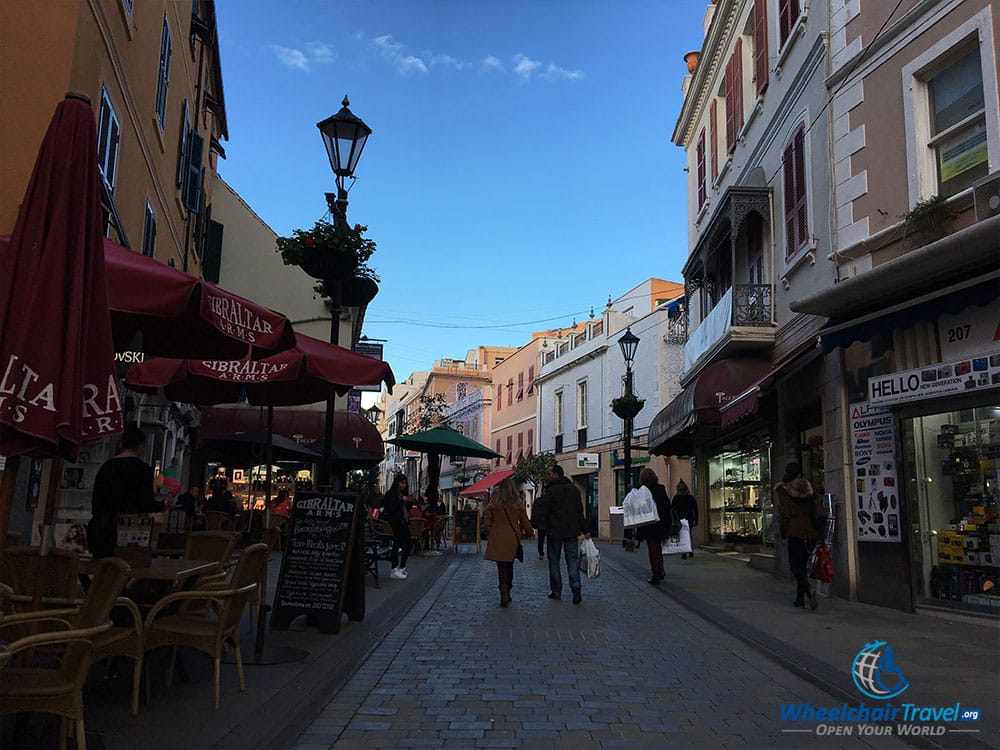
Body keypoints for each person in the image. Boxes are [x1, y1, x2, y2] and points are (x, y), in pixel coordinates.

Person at [88, 426, 162, 558]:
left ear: (121, 444)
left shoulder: (107, 467)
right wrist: (162, 506)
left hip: (103, 532)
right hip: (130, 533)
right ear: (141, 445)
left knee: (104, 568)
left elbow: (96, 502)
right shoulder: (143, 470)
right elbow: (146, 504)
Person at [538, 465, 588, 604]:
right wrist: (585, 529)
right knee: (572, 560)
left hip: (554, 531)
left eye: (549, 473)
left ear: (555, 474)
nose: (548, 476)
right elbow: (579, 511)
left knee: (554, 561)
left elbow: (544, 509)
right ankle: (576, 585)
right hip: (571, 531)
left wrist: (538, 524)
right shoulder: (574, 490)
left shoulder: (551, 491)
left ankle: (556, 591)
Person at [482, 478, 533, 607]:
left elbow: (487, 518)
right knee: (509, 564)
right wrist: (529, 532)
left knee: (501, 566)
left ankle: (503, 590)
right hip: (512, 536)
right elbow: (524, 520)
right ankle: (508, 589)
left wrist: (489, 531)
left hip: (497, 535)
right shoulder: (517, 502)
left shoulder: (495, 501)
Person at [777, 462, 822, 609]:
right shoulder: (808, 488)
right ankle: (800, 598)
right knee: (802, 565)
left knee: (795, 565)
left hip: (794, 531)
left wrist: (783, 532)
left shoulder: (784, 489)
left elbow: (785, 514)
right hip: (810, 532)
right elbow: (814, 510)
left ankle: (808, 590)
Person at [634, 468, 673, 584]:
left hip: (649, 524)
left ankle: (656, 573)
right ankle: (661, 569)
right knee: (658, 548)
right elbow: (667, 505)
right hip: (661, 523)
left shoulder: (642, 491)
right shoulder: (660, 488)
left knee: (652, 549)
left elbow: (640, 509)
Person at [381, 474, 414, 580]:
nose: (403, 485)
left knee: (408, 544)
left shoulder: (402, 494)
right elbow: (390, 508)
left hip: (404, 521)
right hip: (396, 522)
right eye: (401, 483)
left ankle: (402, 567)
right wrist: (402, 500)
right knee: (397, 545)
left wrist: (409, 502)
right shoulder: (391, 494)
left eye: (405, 483)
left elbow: (406, 509)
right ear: (396, 483)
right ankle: (394, 569)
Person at [671, 480, 698, 560]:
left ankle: (684, 552)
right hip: (689, 518)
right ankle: (690, 550)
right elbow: (695, 509)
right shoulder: (690, 497)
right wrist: (696, 519)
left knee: (683, 535)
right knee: (689, 534)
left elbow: (672, 510)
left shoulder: (676, 498)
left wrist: (673, 520)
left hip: (680, 519)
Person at [530, 488, 548, 560]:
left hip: (540, 523)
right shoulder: (549, 501)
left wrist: (534, 522)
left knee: (541, 539)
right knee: (550, 539)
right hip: (548, 522)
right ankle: (549, 553)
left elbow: (534, 511)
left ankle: (541, 553)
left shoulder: (537, 501)